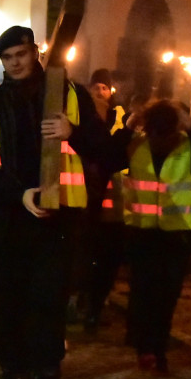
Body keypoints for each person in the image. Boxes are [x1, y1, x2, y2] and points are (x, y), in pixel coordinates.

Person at [0, 25, 110, 379]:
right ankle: (11, 376)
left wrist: (73, 132)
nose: (15, 63)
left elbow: (104, 149)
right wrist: (19, 196)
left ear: (36, 53)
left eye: (21, 54)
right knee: (9, 300)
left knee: (48, 300)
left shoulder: (70, 94)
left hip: (58, 217)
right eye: (7, 58)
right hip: (9, 217)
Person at [114, 99, 191, 372]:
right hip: (153, 233)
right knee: (154, 293)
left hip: (168, 234)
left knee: (155, 294)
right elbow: (108, 154)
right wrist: (128, 128)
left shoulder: (185, 145)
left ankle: (151, 348)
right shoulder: (140, 144)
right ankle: (151, 348)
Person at [78, 68, 129, 333]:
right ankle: (82, 301)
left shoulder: (122, 119)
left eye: (105, 88)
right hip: (83, 198)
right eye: (96, 87)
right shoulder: (80, 118)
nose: (100, 92)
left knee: (107, 258)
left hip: (113, 201)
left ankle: (95, 307)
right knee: (83, 254)